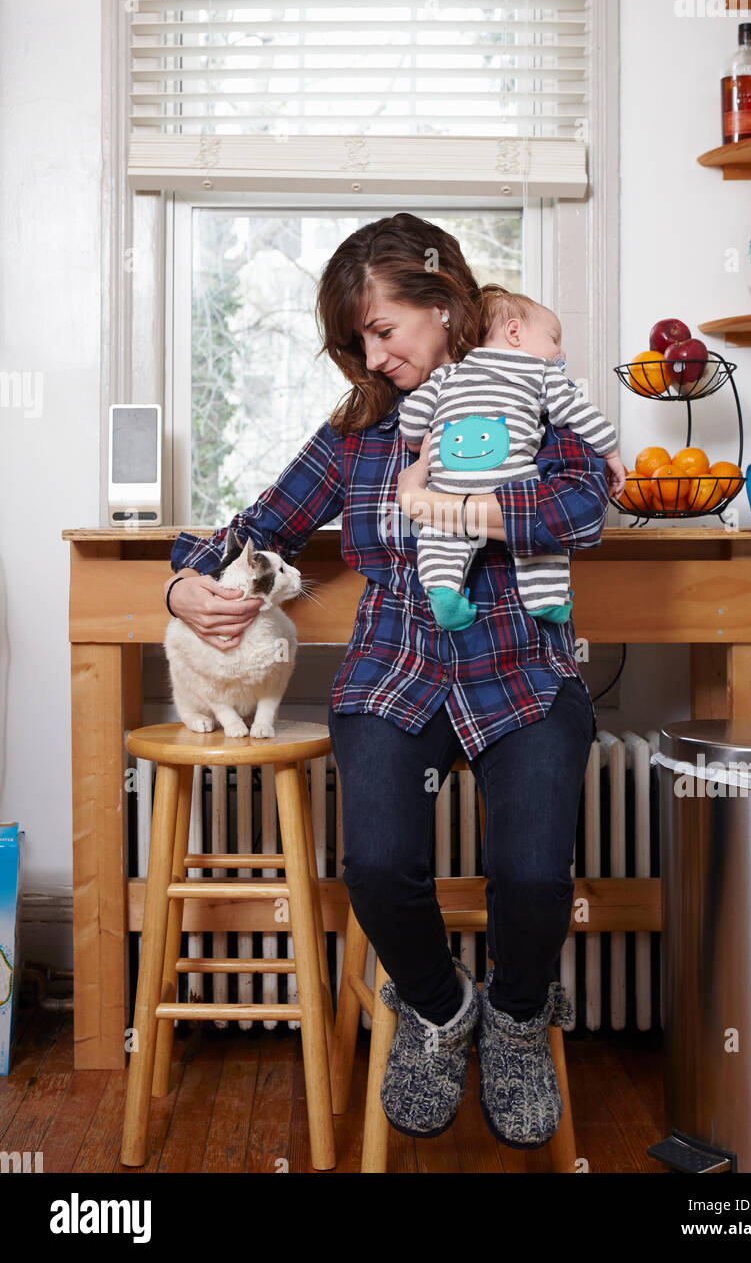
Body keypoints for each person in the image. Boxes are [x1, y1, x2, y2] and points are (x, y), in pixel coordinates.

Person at [162, 212, 608, 1151]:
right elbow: (253, 527)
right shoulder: (359, 430)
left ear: (445, 306)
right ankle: (440, 1010)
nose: (371, 356)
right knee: (375, 867)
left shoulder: (532, 392)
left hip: (522, 668)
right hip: (394, 672)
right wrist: (181, 584)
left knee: (534, 874)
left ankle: (519, 1015)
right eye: (356, 339)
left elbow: (581, 506)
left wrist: (450, 502)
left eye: (383, 330)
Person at [398, 282, 627, 630]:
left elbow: (413, 418)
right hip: (510, 489)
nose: (559, 352)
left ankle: (443, 591)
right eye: (554, 340)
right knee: (540, 544)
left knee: (439, 537)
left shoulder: (448, 374)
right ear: (515, 332)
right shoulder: (541, 373)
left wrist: (420, 441)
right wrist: (610, 449)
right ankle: (548, 601)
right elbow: (578, 413)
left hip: (445, 487)